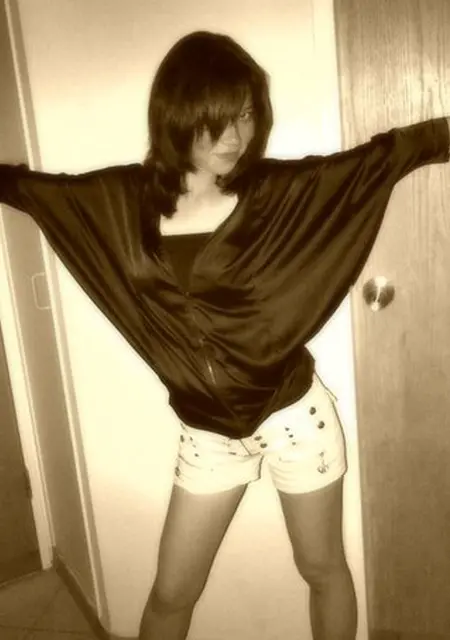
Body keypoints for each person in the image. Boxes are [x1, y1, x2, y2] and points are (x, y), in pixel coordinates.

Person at [0, 30, 449, 640]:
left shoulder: (276, 194)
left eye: (245, 115)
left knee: (321, 569)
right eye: (217, 119)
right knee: (171, 593)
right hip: (207, 436)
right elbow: (33, 191)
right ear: (177, 117)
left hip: (295, 420)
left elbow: (385, 157)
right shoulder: (122, 201)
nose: (235, 137)